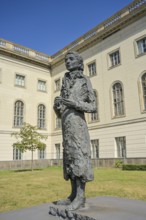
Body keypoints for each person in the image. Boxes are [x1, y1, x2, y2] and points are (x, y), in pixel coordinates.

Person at [53, 51, 97, 211]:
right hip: (66, 127)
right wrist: (57, 106)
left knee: (79, 157)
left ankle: (80, 196)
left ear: (79, 62)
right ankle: (72, 195)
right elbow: (61, 111)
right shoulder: (65, 81)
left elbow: (93, 106)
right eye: (66, 60)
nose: (67, 62)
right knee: (69, 158)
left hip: (78, 127)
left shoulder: (85, 80)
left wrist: (75, 103)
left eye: (71, 59)